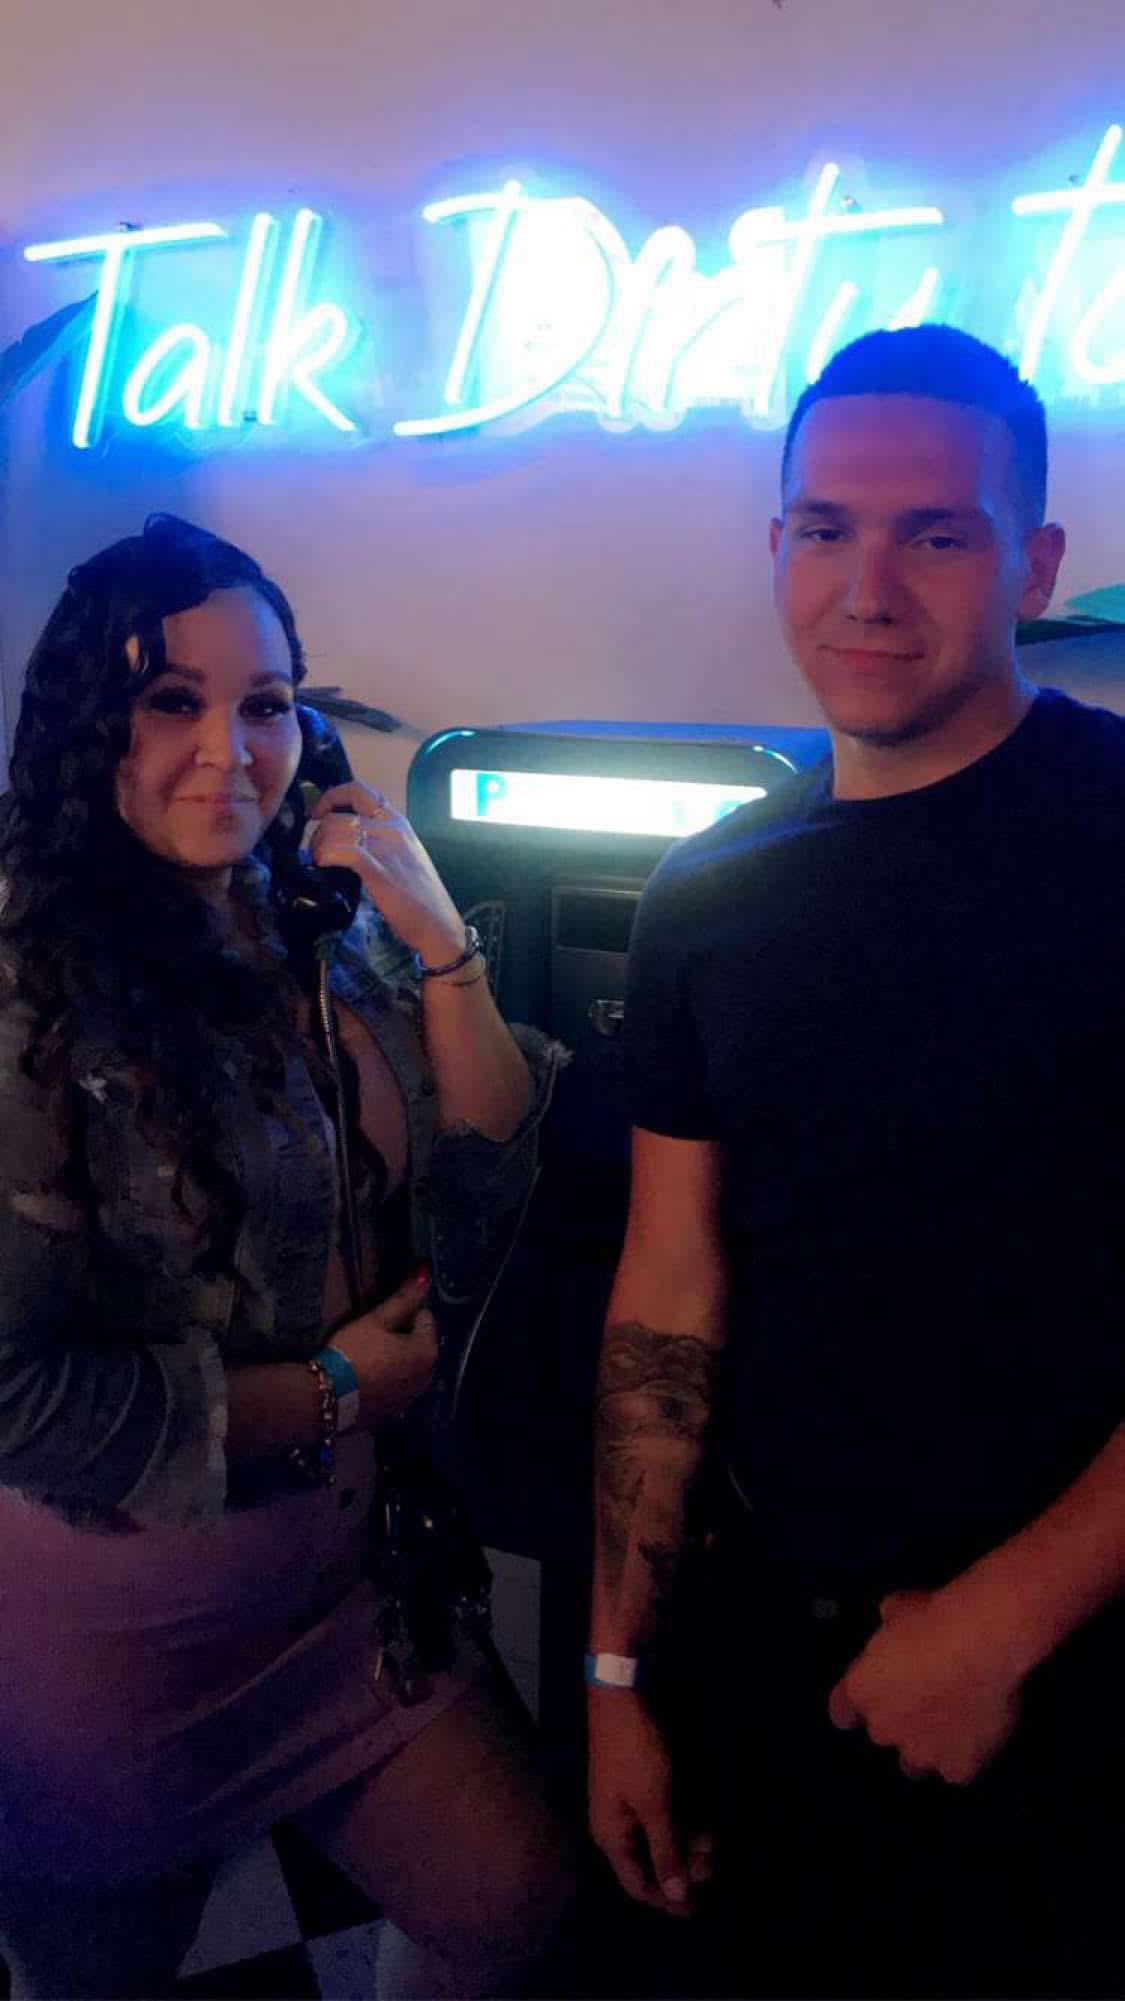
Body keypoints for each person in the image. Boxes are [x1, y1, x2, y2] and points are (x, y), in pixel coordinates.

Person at [586, 326, 1124, 1999]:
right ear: (775, 549)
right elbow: (669, 1286)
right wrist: (612, 1669)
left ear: (1030, 562)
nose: (866, 586)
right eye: (823, 529)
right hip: (777, 1660)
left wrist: (999, 1622)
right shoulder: (707, 894)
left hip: (1080, 1678)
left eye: (934, 534)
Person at [0, 514, 576, 2000]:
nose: (228, 749)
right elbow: (16, 1392)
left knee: (523, 1901)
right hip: (117, 1646)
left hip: (349, 1596)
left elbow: (491, 1157)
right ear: (90, 727)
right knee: (101, 1969)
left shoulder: (308, 916)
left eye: (264, 703)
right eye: (170, 699)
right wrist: (332, 1390)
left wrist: (437, 938)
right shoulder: (25, 985)